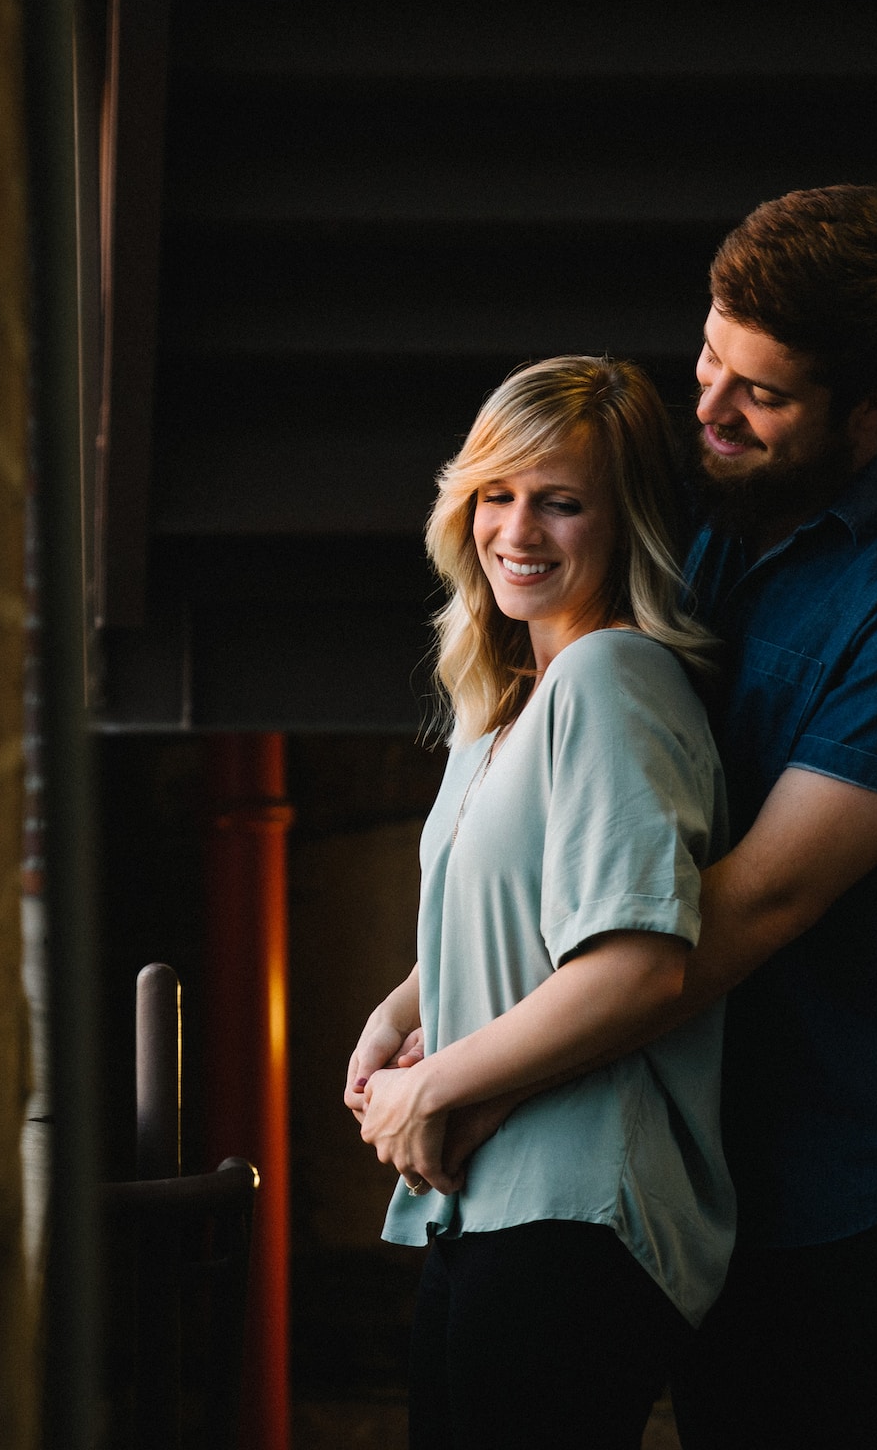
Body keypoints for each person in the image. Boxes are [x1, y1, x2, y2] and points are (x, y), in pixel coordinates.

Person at [438, 187, 877, 1447]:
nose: (708, 409)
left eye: (761, 394)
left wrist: (483, 1076)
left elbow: (751, 899)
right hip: (720, 1159)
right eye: (709, 358)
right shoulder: (706, 517)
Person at [342, 355, 732, 1450]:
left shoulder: (615, 682)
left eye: (561, 501)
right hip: (492, 1203)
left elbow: (636, 964)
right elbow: (519, 912)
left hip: (577, 1210)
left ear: (625, 522)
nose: (519, 530)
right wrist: (399, 1014)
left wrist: (436, 1089)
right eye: (497, 495)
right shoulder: (507, 709)